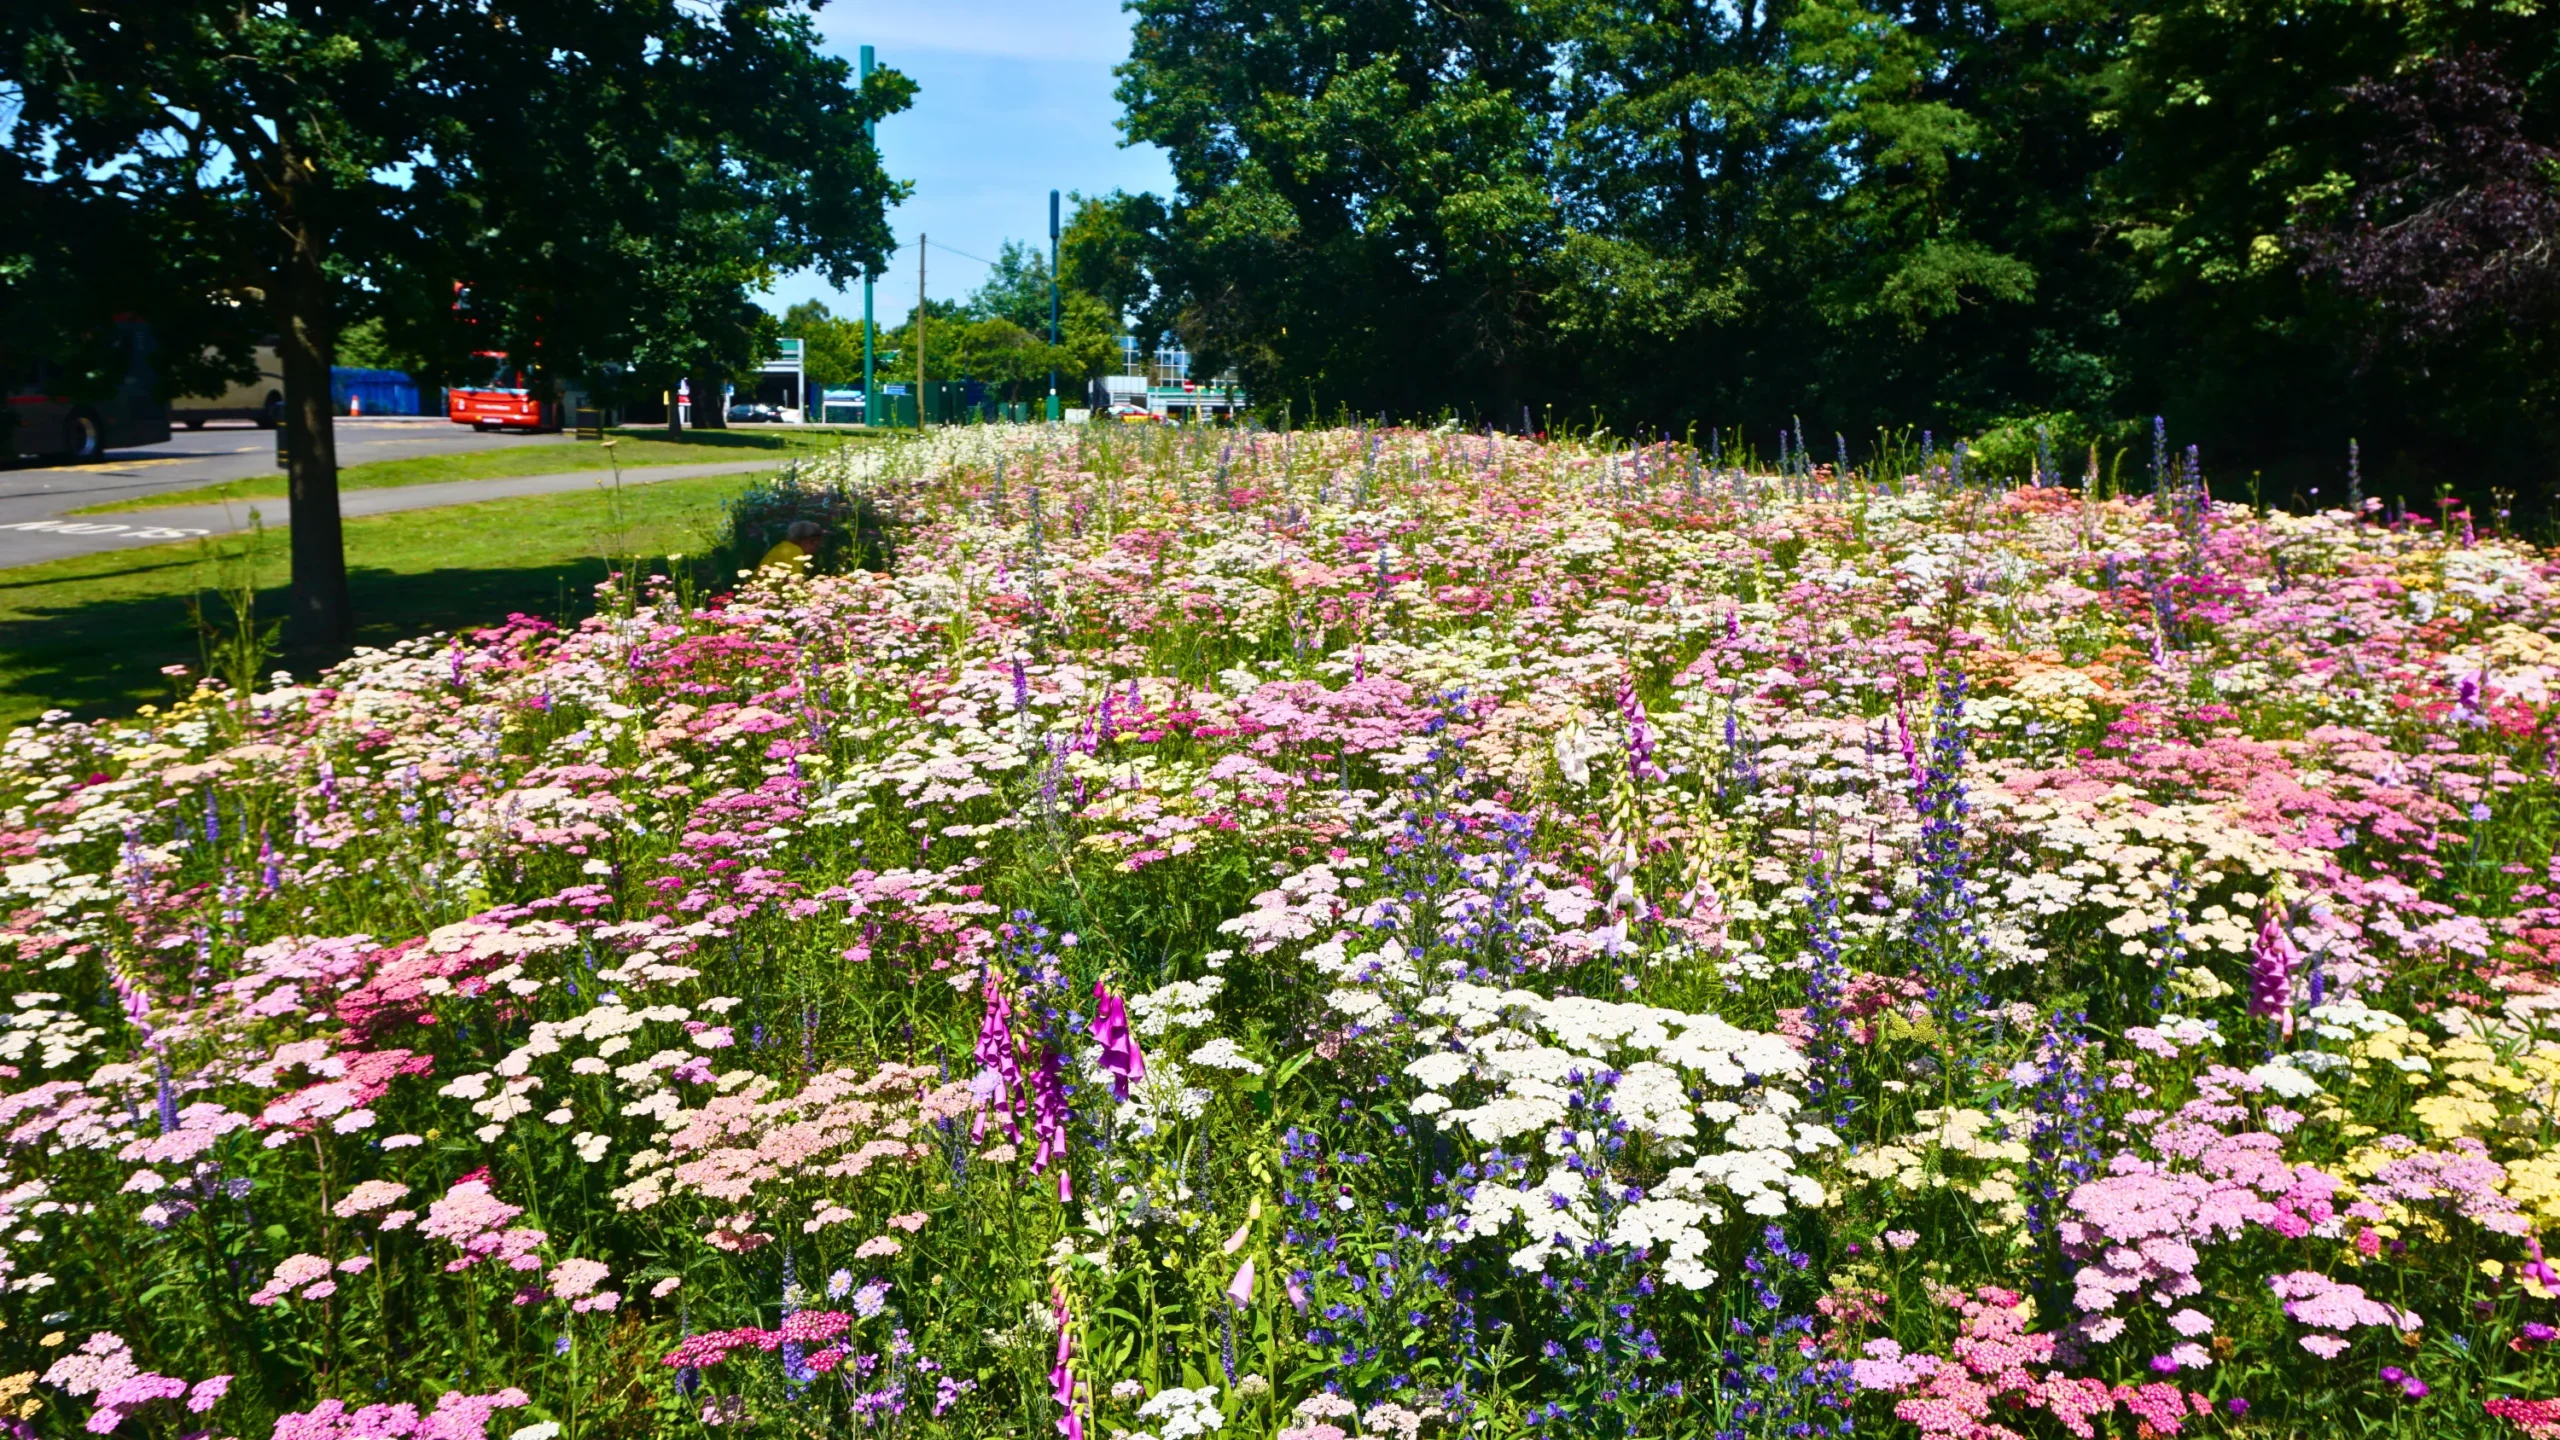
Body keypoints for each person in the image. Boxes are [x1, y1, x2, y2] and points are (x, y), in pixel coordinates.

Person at [758, 519, 823, 572]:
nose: (817, 548)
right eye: (816, 544)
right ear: (805, 541)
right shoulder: (795, 552)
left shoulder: (783, 546)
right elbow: (794, 581)